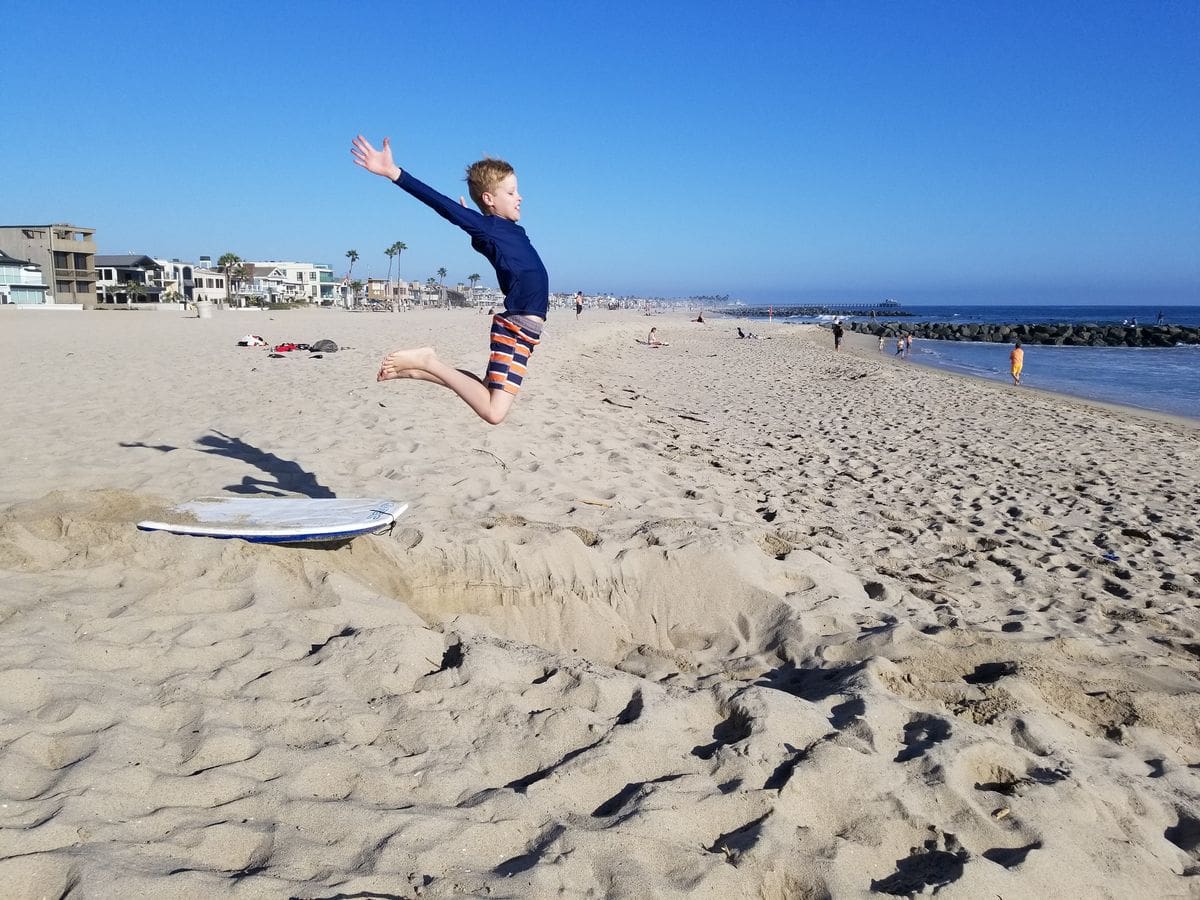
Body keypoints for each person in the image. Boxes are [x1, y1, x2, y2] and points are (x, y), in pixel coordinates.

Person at [352, 135, 548, 425]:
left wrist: (475, 232)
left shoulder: (507, 230)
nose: (519, 197)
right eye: (511, 192)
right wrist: (395, 173)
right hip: (517, 327)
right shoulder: (488, 227)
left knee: (485, 390)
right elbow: (440, 204)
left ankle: (418, 370)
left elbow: (498, 253)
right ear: (489, 199)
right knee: (494, 412)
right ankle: (428, 361)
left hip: (526, 330)